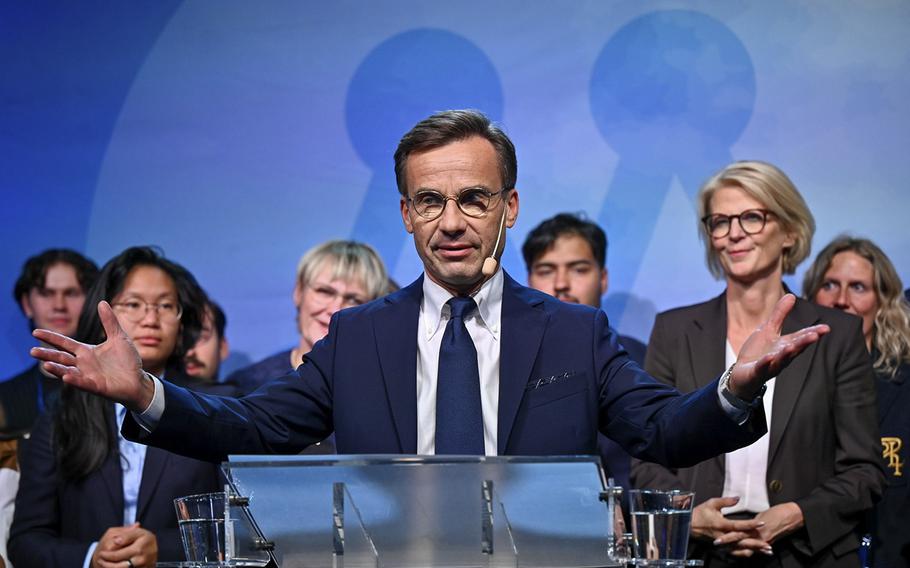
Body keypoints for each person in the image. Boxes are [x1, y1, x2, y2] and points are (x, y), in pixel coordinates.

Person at [32, 111, 827, 474]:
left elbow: (663, 431)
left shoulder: (575, 335)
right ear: (407, 214)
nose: (453, 222)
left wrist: (729, 389)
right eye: (431, 202)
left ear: (508, 208)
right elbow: (253, 425)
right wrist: (148, 391)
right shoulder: (358, 336)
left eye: (474, 199)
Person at [631, 161, 884, 567]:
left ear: (789, 231)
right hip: (701, 555)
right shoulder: (674, 330)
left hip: (806, 554)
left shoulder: (836, 333)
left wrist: (795, 514)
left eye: (751, 217)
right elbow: (648, 457)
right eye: (720, 221)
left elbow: (863, 471)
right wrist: (691, 516)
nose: (734, 233)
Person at [9, 247, 224, 568]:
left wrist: (160, 550)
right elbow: (27, 540)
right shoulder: (61, 414)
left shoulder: (214, 408)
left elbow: (240, 525)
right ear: (101, 315)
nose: (150, 319)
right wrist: (90, 555)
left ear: (182, 321)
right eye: (134, 304)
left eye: (166, 306)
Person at [803, 236, 910, 567]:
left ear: (883, 301)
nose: (841, 300)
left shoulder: (905, 385)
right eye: (830, 285)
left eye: (858, 287)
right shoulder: (784, 384)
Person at [522, 212, 645, 494]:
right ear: (528, 280)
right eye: (546, 270)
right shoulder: (504, 359)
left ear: (602, 279)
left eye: (578, 269)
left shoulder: (639, 357)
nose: (561, 283)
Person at [224, 240, 389, 396]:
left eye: (354, 300)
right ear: (299, 292)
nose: (335, 310)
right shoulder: (249, 385)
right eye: (324, 291)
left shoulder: (384, 389)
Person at [0, 249, 99, 434]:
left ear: (91, 302)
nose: (59, 305)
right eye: (46, 293)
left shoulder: (115, 388)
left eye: (71, 293)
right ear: (27, 305)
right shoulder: (4, 399)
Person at [182, 299, 229, 383]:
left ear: (222, 348)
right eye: (182, 338)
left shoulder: (238, 394)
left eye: (201, 337)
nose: (189, 352)